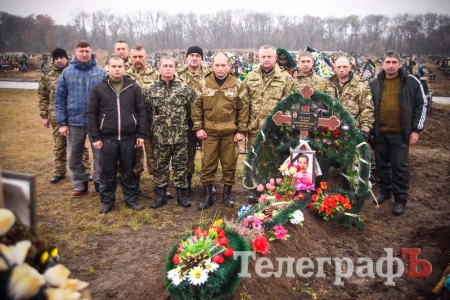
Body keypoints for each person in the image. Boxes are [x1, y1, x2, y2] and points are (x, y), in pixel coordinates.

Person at [370, 50, 427, 215]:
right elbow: (369, 106)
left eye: (394, 62)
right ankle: (385, 192)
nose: (390, 66)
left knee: (400, 167)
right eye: (388, 62)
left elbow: (421, 105)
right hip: (380, 133)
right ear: (382, 64)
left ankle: (400, 199)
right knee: (381, 166)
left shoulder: (410, 82)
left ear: (399, 64)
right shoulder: (375, 83)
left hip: (400, 134)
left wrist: (416, 130)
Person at [87, 56, 147, 213]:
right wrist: (95, 137)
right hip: (107, 138)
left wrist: (141, 134)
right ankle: (107, 201)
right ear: (108, 67)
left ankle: (131, 199)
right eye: (113, 66)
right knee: (107, 171)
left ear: (124, 67)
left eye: (120, 66)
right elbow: (91, 113)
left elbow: (141, 111)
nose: (117, 69)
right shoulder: (99, 88)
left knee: (129, 170)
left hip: (129, 137)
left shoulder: (133, 87)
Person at [240, 45, 298, 202]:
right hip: (255, 129)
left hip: (276, 130)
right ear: (258, 58)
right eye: (263, 56)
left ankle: (274, 191)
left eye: (269, 56)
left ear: (275, 58)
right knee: (255, 160)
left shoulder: (286, 79)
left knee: (275, 161)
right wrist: (242, 126)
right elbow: (243, 103)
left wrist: (283, 124)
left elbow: (293, 104)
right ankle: (255, 191)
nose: (266, 59)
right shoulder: (250, 77)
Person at [192, 52, 249, 210]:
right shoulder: (204, 83)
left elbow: (244, 108)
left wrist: (241, 131)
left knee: (229, 164)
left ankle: (227, 194)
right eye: (217, 65)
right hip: (209, 132)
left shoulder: (237, 84)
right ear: (212, 66)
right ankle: (208, 195)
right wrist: (198, 128)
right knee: (208, 163)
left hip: (230, 133)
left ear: (229, 66)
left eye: (223, 65)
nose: (220, 68)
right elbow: (195, 106)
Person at [54, 41, 106, 197]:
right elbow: (59, 99)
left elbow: (107, 99)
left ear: (92, 52)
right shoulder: (67, 73)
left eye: (87, 51)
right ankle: (79, 184)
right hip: (74, 122)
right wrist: (62, 123)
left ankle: (99, 182)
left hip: (96, 123)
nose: (84, 54)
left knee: (100, 155)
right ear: (75, 52)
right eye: (81, 51)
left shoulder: (101, 73)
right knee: (74, 155)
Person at [144, 56, 196, 209]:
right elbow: (147, 112)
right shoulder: (151, 89)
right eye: (165, 66)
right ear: (159, 68)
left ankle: (181, 194)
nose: (168, 69)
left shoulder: (184, 88)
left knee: (181, 165)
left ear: (175, 68)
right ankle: (161, 195)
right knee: (161, 166)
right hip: (160, 137)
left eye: (171, 66)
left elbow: (189, 110)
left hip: (180, 135)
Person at [38, 47, 91, 184]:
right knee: (59, 145)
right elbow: (43, 96)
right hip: (56, 115)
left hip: (75, 115)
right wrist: (44, 115)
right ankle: (59, 171)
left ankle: (86, 171)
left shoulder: (76, 71)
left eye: (61, 58)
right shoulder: (48, 75)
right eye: (56, 58)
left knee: (79, 146)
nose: (59, 61)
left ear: (67, 58)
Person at [176, 46, 212, 195]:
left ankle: (208, 183)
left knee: (209, 155)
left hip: (207, 121)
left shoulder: (210, 74)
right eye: (191, 55)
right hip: (185, 122)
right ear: (187, 57)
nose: (195, 58)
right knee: (187, 154)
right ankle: (187, 182)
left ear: (202, 58)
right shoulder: (178, 74)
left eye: (198, 55)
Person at [125, 45, 159, 194]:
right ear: (130, 58)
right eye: (135, 57)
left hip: (152, 122)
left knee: (154, 154)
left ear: (146, 57)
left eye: (140, 56)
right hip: (133, 123)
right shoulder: (125, 76)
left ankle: (159, 183)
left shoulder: (155, 75)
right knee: (135, 154)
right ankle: (135, 182)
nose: (138, 60)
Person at [324, 56, 374, 136]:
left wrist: (365, 130)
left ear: (350, 67)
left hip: (353, 130)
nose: (341, 69)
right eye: (339, 67)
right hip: (330, 131)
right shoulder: (326, 84)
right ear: (334, 68)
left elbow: (367, 108)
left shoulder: (362, 86)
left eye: (345, 67)